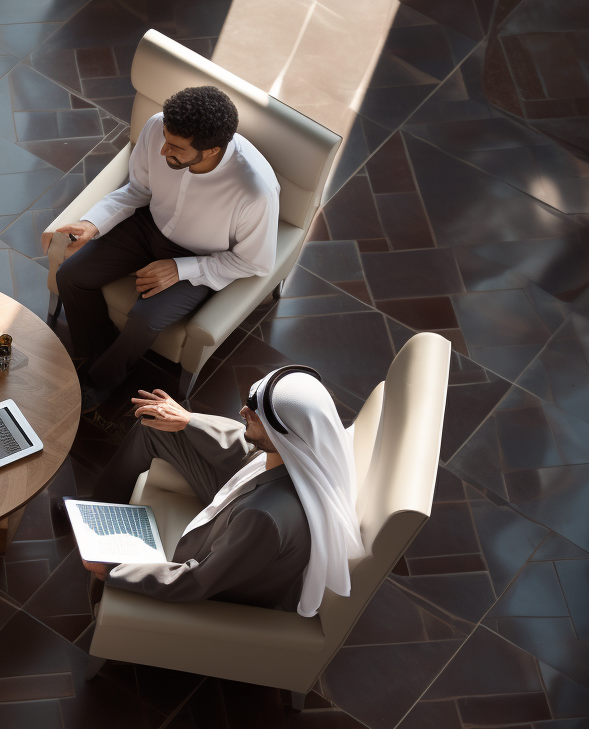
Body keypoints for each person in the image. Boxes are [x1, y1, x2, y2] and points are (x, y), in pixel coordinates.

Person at [51, 86, 280, 412]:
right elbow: (138, 190)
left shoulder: (254, 191)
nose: (163, 150)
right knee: (71, 274)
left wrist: (181, 269)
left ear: (212, 150)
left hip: (199, 259)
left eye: (175, 148)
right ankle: (97, 353)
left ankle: (101, 381)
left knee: (145, 320)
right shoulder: (158, 127)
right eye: (165, 138)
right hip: (147, 227)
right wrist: (94, 223)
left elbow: (255, 263)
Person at [77, 366, 360, 617]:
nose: (242, 411)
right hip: (240, 498)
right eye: (250, 400)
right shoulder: (304, 450)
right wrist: (188, 420)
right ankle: (96, 510)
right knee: (155, 427)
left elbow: (197, 581)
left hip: (209, 560)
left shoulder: (262, 517)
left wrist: (115, 568)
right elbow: (248, 452)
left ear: (282, 433)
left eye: (254, 411)